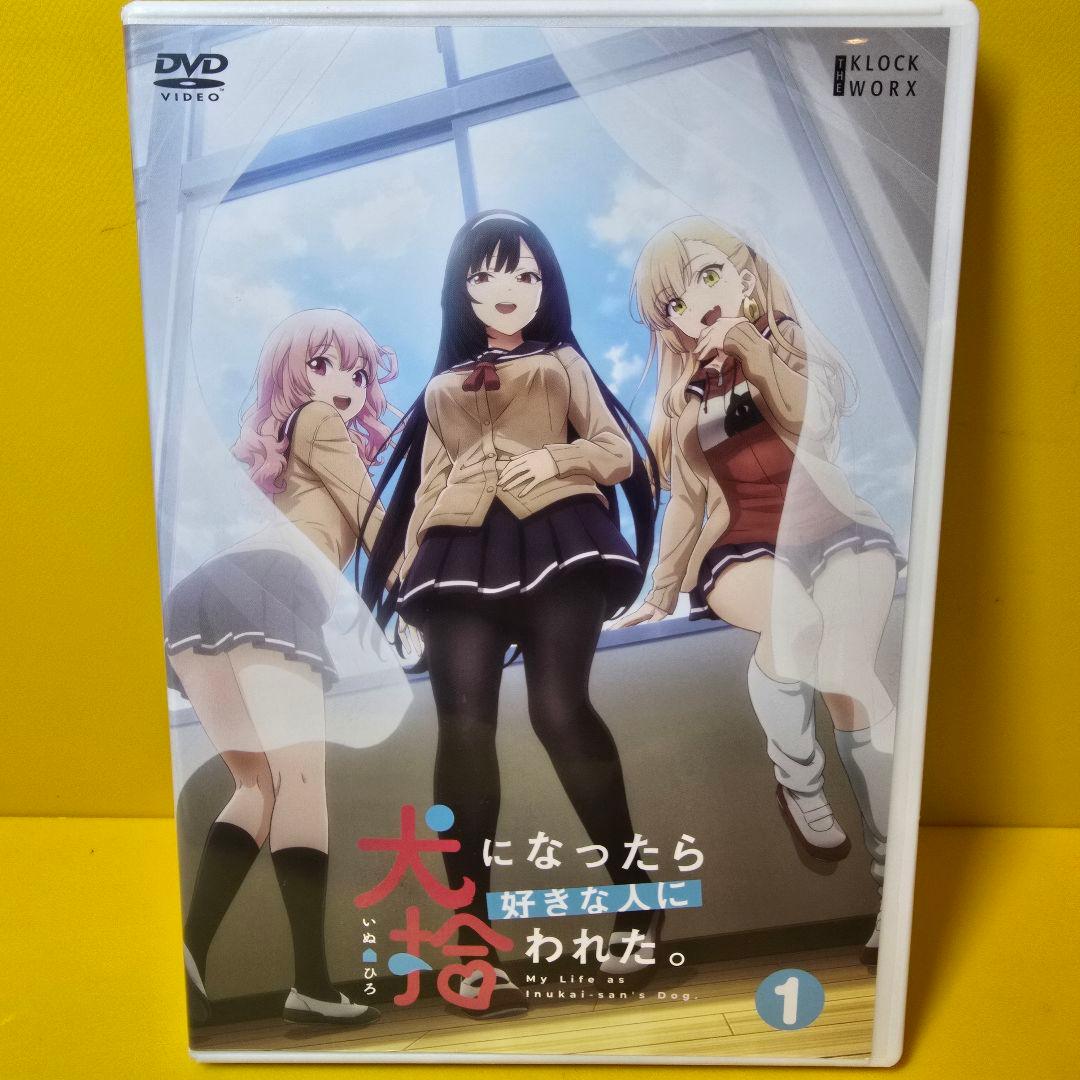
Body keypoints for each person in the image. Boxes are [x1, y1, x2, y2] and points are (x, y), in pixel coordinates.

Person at [362, 211, 661, 1016]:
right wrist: (402, 578)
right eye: (488, 274)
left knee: (559, 709)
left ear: (545, 286)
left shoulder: (562, 361)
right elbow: (428, 487)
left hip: (560, 534)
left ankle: (637, 901)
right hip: (458, 551)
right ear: (461, 288)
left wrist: (555, 457)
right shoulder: (444, 385)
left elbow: (615, 452)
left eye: (526, 274)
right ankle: (471, 949)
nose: (508, 289)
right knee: (462, 731)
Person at [619, 217, 901, 964]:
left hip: (837, 527)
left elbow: (813, 420)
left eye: (709, 276)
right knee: (793, 626)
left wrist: (751, 348)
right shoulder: (683, 398)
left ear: (746, 276)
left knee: (851, 676)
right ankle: (798, 778)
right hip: (742, 543)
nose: (696, 305)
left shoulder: (791, 347)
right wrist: (660, 590)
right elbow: (686, 502)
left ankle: (896, 892)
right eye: (675, 302)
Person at [166, 309, 396, 1024]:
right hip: (269, 586)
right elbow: (372, 517)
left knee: (256, 784)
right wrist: (426, 590)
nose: (342, 384)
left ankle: (189, 952)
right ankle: (312, 985)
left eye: (356, 371)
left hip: (200, 599)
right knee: (298, 780)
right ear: (289, 375)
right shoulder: (321, 422)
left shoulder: (294, 439)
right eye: (321, 365)